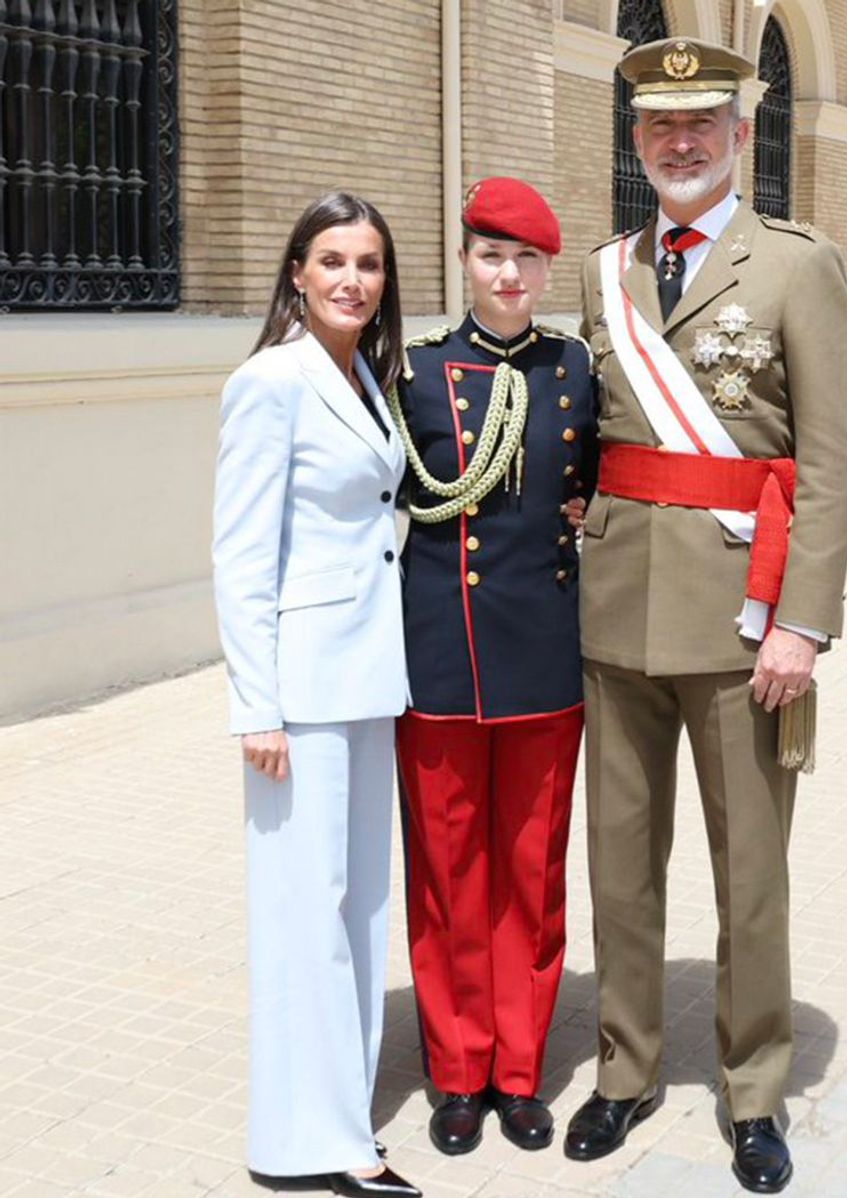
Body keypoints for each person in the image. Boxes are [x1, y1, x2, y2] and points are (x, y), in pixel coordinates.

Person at [565, 38, 847, 1194]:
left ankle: (753, 1092)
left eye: (700, 124)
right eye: (656, 127)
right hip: (615, 611)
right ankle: (626, 1068)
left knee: (749, 872)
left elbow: (831, 467)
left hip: (747, 625)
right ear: (637, 143)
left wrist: (804, 622)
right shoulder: (606, 273)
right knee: (619, 863)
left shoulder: (795, 265)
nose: (678, 143)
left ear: (741, 134)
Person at [212, 191, 420, 1198]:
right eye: (331, 260)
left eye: (369, 263)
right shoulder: (271, 380)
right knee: (306, 910)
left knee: (358, 905)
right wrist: (256, 705)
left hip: (370, 675)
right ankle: (323, 1142)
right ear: (296, 271)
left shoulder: (368, 378)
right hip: (300, 689)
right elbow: (240, 555)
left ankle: (335, 1108)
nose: (351, 279)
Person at [386, 177, 597, 1156]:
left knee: (530, 874)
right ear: (464, 259)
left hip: (546, 654)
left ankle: (519, 1071)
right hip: (438, 655)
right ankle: (458, 1070)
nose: (508, 274)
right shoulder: (414, 370)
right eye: (490, 255)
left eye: (526, 259)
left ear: (546, 269)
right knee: (445, 874)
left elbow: (602, 485)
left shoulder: (574, 369)